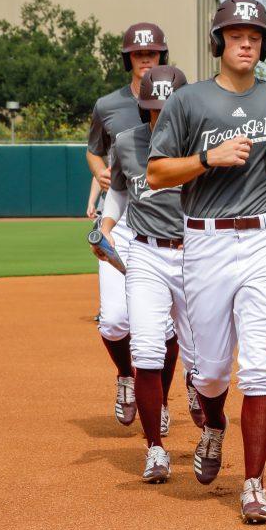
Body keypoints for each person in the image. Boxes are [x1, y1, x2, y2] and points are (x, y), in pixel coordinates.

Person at [147, 0, 266, 523]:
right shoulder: (188, 101)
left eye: (256, 35)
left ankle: (254, 484)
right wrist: (205, 158)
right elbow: (155, 174)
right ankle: (214, 425)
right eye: (236, 35)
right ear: (218, 42)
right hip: (205, 240)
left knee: (260, 366)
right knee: (214, 370)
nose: (247, 43)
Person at [87, 23, 192, 431]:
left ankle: (160, 401)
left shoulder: (182, 97)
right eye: (138, 53)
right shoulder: (109, 106)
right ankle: (127, 377)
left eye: (152, 53)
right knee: (114, 320)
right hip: (127, 222)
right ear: (128, 57)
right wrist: (103, 179)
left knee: (165, 325)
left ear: (162, 56)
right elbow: (97, 155)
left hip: (171, 224)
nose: (145, 58)